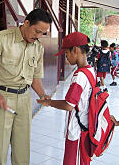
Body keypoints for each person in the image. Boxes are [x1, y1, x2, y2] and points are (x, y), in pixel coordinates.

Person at [0, 8, 52, 165]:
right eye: (37, 31)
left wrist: (42, 95)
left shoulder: (38, 47)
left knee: (22, 148)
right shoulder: (1, 38)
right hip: (2, 98)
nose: (38, 37)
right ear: (26, 23)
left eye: (42, 34)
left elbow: (35, 78)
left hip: (24, 99)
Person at [37, 32, 93, 165]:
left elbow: (69, 104)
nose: (66, 57)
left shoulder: (79, 76)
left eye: (67, 53)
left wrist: (49, 103)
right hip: (85, 127)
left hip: (77, 131)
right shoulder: (90, 70)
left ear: (75, 50)